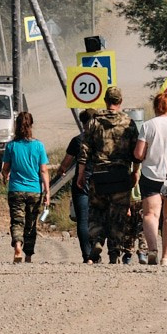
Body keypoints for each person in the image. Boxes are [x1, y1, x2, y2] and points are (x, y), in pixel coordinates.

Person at [77, 86, 142, 263]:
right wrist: (136, 172)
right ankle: (114, 253)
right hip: (121, 176)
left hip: (99, 175)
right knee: (118, 216)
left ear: (106, 101)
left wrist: (81, 174)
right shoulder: (129, 123)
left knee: (97, 212)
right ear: (120, 102)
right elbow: (136, 151)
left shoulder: (94, 121)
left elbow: (85, 149)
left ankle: (97, 240)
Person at [134, 94, 167, 265]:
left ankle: (152, 250)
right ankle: (166, 257)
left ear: (155, 107)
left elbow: (138, 153)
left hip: (151, 174)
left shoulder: (147, 126)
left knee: (151, 214)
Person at [0, 110, 52, 263]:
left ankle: (17, 245)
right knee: (31, 223)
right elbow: (43, 170)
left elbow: (6, 168)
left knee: (17, 221)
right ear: (31, 125)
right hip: (34, 190)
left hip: (16, 189)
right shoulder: (38, 146)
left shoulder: (12, 146)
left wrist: (5, 175)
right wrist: (47, 192)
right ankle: (28, 255)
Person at [54, 111, 98, 263]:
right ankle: (96, 247)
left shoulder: (77, 140)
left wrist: (61, 171)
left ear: (82, 123)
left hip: (81, 183)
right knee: (98, 219)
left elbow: (66, 163)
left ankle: (87, 255)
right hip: (100, 182)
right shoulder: (102, 140)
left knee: (83, 219)